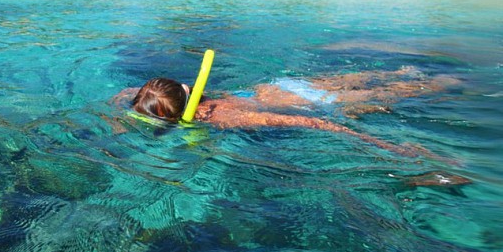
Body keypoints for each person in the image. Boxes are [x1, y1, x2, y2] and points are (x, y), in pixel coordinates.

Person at [120, 68, 460, 159]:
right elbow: (133, 97)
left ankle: (448, 82)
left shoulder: (225, 117)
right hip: (286, 86)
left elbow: (313, 122)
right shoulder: (215, 106)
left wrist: (388, 147)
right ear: (185, 91)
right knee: (386, 84)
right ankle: (418, 74)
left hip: (311, 101)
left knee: (393, 95)